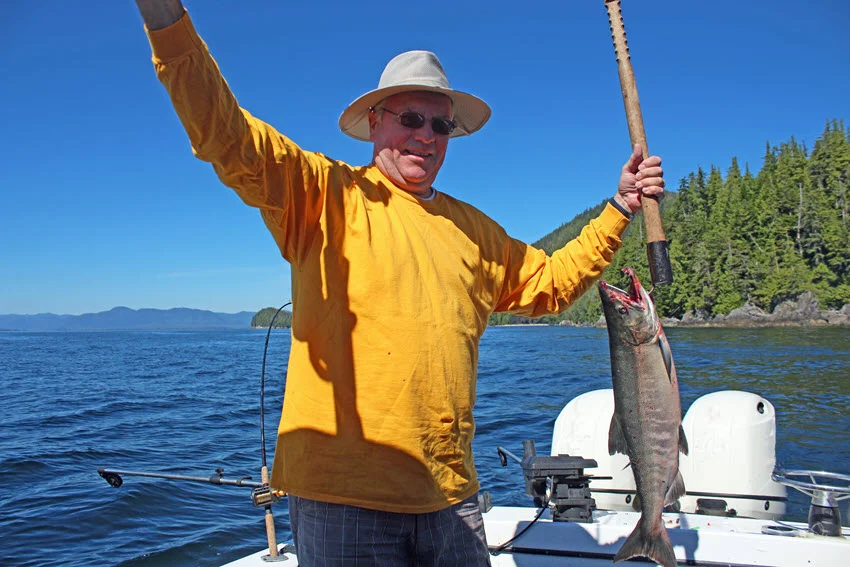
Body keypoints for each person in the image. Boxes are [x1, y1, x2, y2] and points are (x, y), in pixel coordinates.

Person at [134, 2, 665, 565]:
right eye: (411, 119)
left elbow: (553, 283)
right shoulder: (320, 194)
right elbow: (227, 135)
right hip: (343, 498)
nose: (427, 136)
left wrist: (620, 207)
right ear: (375, 122)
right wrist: (168, 22)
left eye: (441, 125)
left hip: (451, 496)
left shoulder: (476, 232)